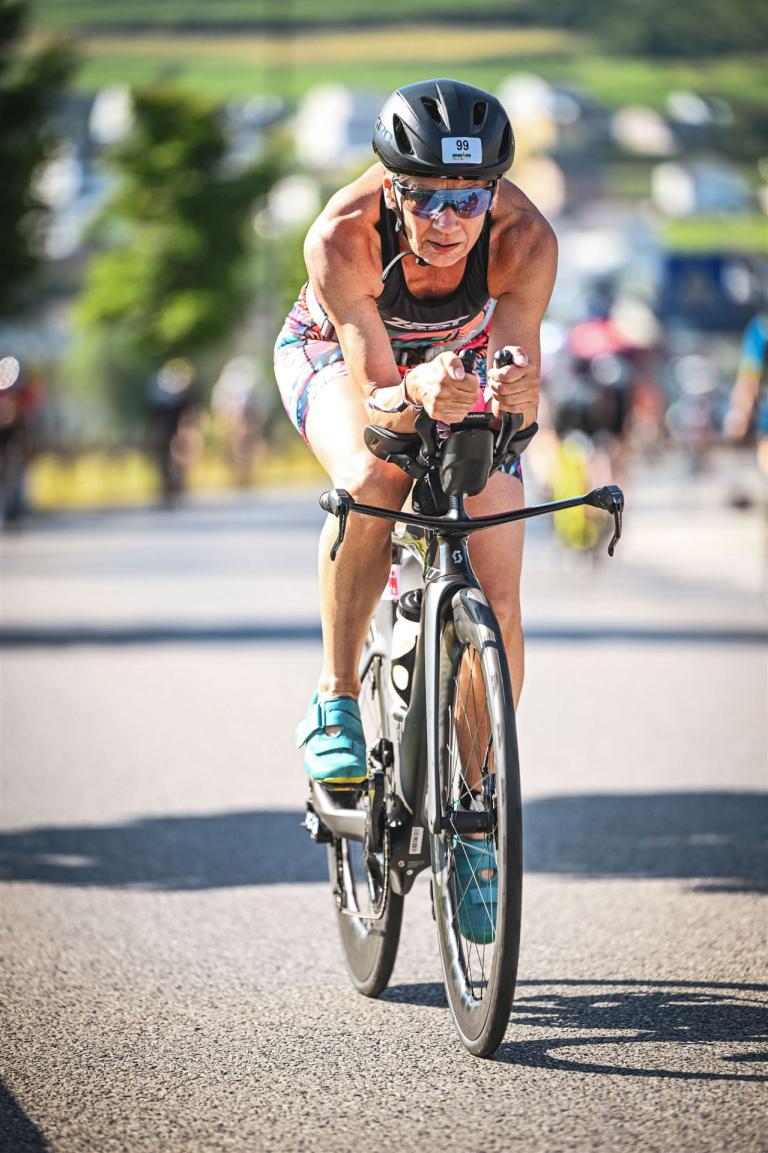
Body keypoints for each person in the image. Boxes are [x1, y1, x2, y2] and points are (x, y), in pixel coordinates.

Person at [274, 78, 557, 789]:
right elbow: (378, 401)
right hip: (338, 355)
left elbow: (518, 395)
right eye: (424, 197)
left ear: (495, 190)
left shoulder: (525, 239)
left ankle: (477, 805)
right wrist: (414, 391)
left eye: (467, 200)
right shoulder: (343, 236)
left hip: (455, 360)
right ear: (390, 186)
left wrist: (514, 396)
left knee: (498, 577)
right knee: (373, 477)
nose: (446, 221)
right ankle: (336, 695)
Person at [724, 310, 768, 476]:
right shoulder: (761, 328)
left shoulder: (761, 328)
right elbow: (748, 377)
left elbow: (748, 378)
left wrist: (739, 411)